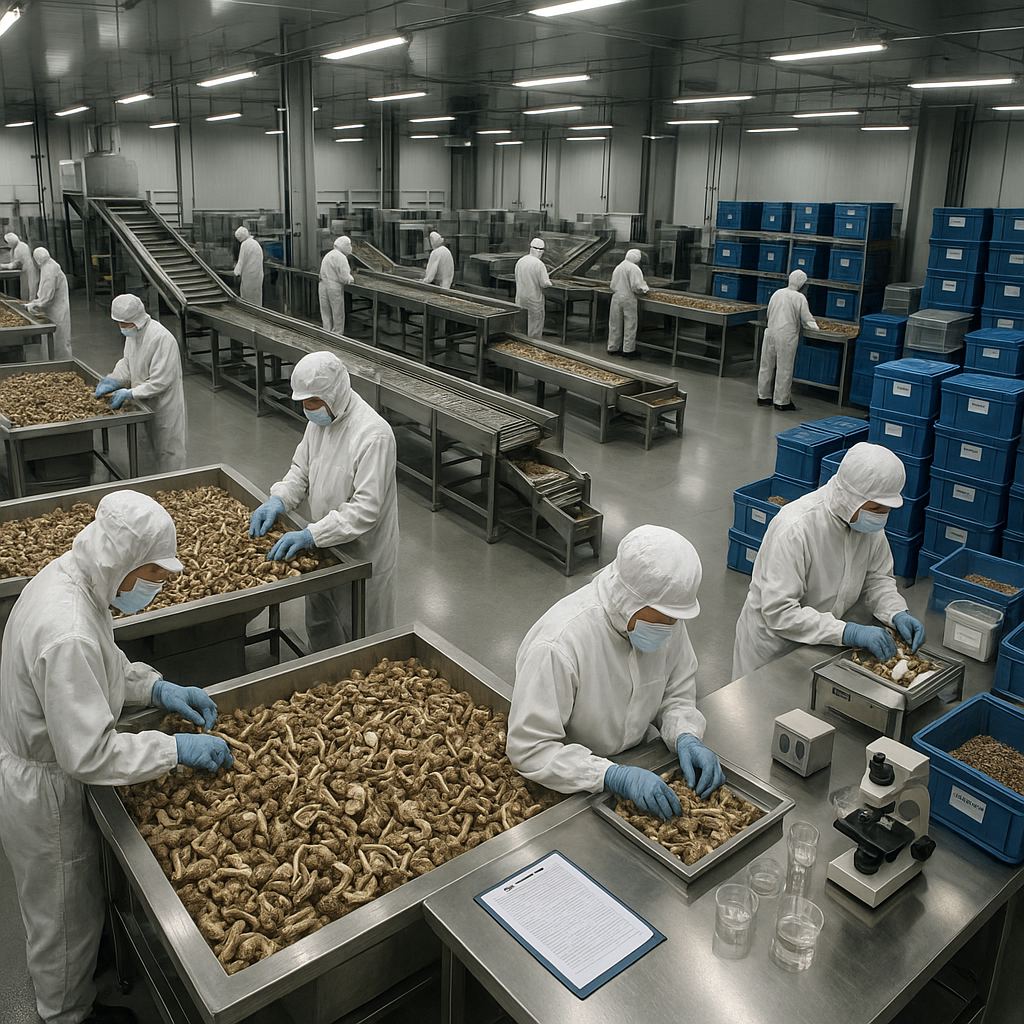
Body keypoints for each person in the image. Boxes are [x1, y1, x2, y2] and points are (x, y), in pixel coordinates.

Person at [0, 490, 233, 1024]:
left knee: (75, 904)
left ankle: (86, 966)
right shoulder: (66, 628)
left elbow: (99, 669)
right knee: (61, 916)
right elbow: (89, 753)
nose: (159, 584)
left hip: (47, 761)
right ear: (122, 561)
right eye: (153, 573)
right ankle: (66, 1013)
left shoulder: (75, 580)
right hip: (46, 792)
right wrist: (176, 748)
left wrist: (154, 688)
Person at [507, 525, 725, 818]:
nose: (671, 627)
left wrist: (685, 734)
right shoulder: (558, 645)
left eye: (675, 618)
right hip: (567, 784)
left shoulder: (664, 620)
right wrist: (610, 775)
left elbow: (676, 692)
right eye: (664, 618)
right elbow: (530, 748)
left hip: (638, 765)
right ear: (631, 599)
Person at [732, 442, 926, 680]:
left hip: (822, 643)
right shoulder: (796, 529)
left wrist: (896, 612)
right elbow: (780, 612)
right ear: (850, 498)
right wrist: (848, 632)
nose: (880, 516)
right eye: (875, 508)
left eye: (886, 509)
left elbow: (877, 579)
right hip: (774, 650)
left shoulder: (866, 523)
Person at [249, 351, 399, 650]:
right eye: (304, 402)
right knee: (322, 625)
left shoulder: (374, 435)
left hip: (363, 552)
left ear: (336, 393)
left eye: (314, 401)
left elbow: (365, 510)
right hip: (323, 544)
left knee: (362, 635)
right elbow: (301, 470)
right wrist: (279, 499)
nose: (309, 409)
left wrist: (312, 534)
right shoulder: (320, 421)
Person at [94, 294, 187, 473]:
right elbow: (128, 363)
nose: (121, 327)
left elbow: (161, 381)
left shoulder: (161, 338)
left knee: (167, 452)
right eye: (119, 323)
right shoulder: (134, 334)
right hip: (144, 404)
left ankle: (172, 485)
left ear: (136, 319)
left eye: (124, 323)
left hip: (164, 406)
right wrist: (114, 379)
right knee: (145, 450)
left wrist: (130, 393)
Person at [756, 268, 819, 412]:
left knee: (766, 366)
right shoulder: (799, 298)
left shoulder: (777, 293)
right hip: (786, 336)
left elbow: (769, 313)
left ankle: (763, 396)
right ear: (801, 284)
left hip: (771, 332)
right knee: (784, 368)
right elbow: (807, 319)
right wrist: (817, 329)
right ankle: (781, 402)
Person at [26, 247, 71, 359]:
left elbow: (47, 294)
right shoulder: (51, 265)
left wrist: (37, 303)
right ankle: (57, 360)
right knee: (59, 337)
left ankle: (59, 362)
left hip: (56, 310)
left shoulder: (48, 270)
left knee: (58, 337)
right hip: (56, 307)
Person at [607, 248, 649, 359]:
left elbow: (612, 285)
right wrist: (645, 290)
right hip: (628, 298)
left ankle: (612, 348)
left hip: (616, 297)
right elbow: (636, 286)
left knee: (615, 324)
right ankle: (628, 350)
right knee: (630, 324)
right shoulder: (634, 268)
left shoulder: (619, 267)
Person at [514, 237, 551, 339]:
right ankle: (532, 344)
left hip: (521, 297)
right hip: (534, 299)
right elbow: (545, 283)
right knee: (534, 324)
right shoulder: (539, 264)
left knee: (521, 323)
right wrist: (550, 282)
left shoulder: (521, 261)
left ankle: (520, 342)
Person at [318, 236, 354, 335]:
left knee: (325, 312)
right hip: (334, 287)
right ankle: (337, 335)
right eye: (349, 245)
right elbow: (345, 277)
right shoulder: (341, 257)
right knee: (337, 313)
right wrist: (351, 279)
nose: (350, 247)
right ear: (344, 245)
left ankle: (327, 332)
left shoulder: (328, 255)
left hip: (322, 285)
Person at [2, 231, 39, 301]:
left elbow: (14, 265)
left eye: (8, 242)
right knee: (27, 291)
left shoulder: (20, 248)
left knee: (29, 291)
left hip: (28, 271)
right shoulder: (15, 248)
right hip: (24, 271)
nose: (8, 245)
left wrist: (2, 266)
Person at [233, 225, 264, 306]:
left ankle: (249, 310)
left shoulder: (245, 244)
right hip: (258, 274)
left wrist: (236, 272)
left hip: (249, 275)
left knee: (248, 295)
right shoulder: (255, 243)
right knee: (256, 295)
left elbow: (241, 261)